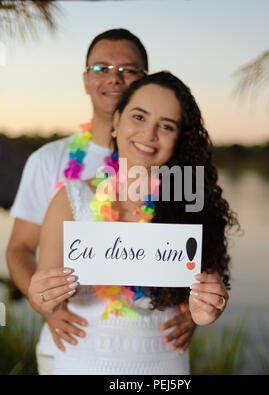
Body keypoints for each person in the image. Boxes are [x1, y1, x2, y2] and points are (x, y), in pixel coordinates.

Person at [6, 29, 197, 373]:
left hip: (156, 348)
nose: (114, 77)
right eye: (101, 68)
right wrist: (46, 306)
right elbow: (19, 247)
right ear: (85, 79)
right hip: (70, 342)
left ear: (145, 81)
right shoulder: (49, 159)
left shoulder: (174, 169)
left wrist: (195, 311)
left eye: (128, 70)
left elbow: (199, 253)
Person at [28, 71, 237, 375]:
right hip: (79, 360)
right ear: (116, 121)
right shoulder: (71, 197)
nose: (149, 134)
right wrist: (41, 296)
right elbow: (45, 300)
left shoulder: (193, 205)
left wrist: (208, 308)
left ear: (179, 139)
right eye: (139, 117)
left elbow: (207, 297)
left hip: (165, 363)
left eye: (166, 126)